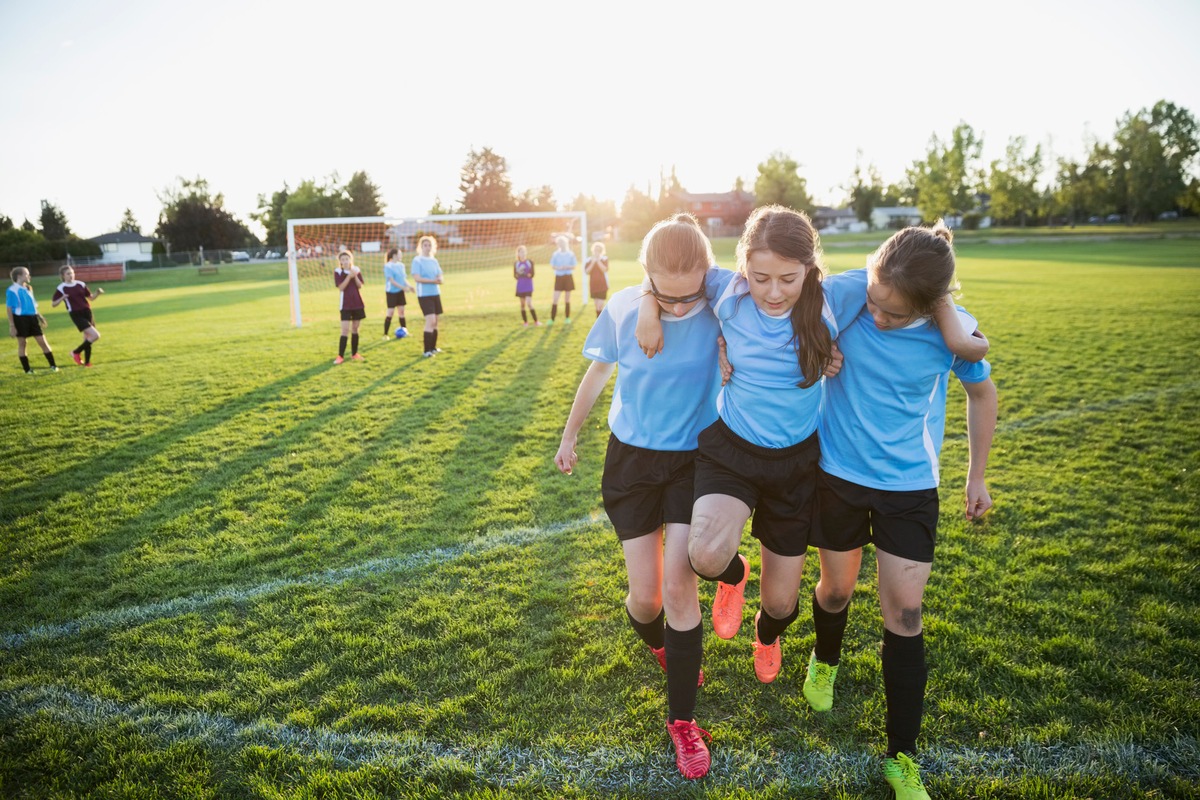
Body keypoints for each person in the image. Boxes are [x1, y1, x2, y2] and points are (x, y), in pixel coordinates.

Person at [635, 206, 985, 689]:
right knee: (707, 556)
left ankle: (767, 632)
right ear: (743, 269)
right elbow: (669, 279)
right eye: (760, 277)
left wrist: (952, 328)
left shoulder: (834, 296)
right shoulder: (727, 291)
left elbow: (911, 270)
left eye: (788, 278)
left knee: (781, 605)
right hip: (732, 449)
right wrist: (647, 310)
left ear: (810, 269)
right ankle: (735, 575)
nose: (773, 292)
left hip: (799, 463)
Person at [801, 222, 996, 800]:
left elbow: (981, 392)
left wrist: (976, 474)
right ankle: (825, 658)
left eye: (892, 313)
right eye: (874, 302)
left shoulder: (952, 331)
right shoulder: (854, 294)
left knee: (906, 613)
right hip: (836, 474)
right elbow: (784, 308)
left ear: (930, 304)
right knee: (835, 591)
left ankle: (902, 758)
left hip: (909, 486)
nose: (877, 316)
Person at [554, 214, 722, 780]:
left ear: (709, 272)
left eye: (688, 295)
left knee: (678, 591)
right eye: (664, 295)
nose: (678, 308)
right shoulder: (626, 306)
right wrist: (570, 434)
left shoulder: (723, 297)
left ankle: (682, 722)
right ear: (645, 276)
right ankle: (675, 641)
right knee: (646, 601)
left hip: (693, 462)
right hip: (630, 461)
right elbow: (598, 374)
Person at [6, 267, 58, 374]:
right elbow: (9, 308)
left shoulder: (29, 288)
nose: (29, 276)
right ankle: (27, 370)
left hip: (33, 318)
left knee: (42, 342)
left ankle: (53, 366)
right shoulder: (12, 290)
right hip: (20, 320)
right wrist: (12, 325)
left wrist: (40, 316)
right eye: (27, 274)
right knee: (23, 343)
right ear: (19, 276)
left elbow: (32, 305)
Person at [51, 265, 105, 367]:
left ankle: (87, 363)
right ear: (63, 276)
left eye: (72, 273)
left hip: (87, 312)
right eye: (68, 274)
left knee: (88, 338)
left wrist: (97, 293)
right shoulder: (61, 288)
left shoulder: (80, 284)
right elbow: (53, 304)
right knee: (95, 335)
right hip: (76, 314)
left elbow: (91, 298)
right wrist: (62, 297)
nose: (71, 275)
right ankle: (75, 352)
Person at [410, 235, 444, 357]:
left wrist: (440, 279)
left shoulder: (434, 260)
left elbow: (440, 275)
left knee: (436, 322)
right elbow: (417, 278)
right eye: (425, 245)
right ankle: (426, 351)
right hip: (424, 295)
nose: (427, 247)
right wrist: (433, 281)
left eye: (430, 245)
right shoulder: (417, 260)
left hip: (436, 293)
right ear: (421, 247)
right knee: (430, 321)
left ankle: (433, 348)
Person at [333, 250, 366, 364]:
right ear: (340, 262)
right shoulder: (338, 272)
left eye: (347, 259)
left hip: (357, 304)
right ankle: (340, 356)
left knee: (355, 329)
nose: (345, 261)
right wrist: (348, 277)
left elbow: (359, 285)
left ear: (350, 260)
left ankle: (354, 354)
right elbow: (341, 287)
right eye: (343, 260)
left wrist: (354, 275)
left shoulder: (356, 270)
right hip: (345, 305)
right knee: (345, 330)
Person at [382, 247, 415, 340]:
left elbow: (403, 279)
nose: (401, 255)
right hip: (391, 292)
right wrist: (403, 288)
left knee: (401, 312)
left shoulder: (401, 265)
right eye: (400, 253)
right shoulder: (388, 266)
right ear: (395, 255)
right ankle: (385, 334)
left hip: (400, 292)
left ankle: (405, 331)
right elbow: (392, 281)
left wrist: (410, 286)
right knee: (390, 312)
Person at [547, 235, 577, 326]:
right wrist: (559, 268)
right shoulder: (555, 254)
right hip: (559, 277)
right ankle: (552, 319)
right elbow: (552, 265)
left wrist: (567, 267)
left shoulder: (571, 254)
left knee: (567, 299)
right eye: (559, 243)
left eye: (562, 243)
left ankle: (567, 318)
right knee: (555, 298)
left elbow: (574, 266)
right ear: (558, 244)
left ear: (566, 243)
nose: (561, 244)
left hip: (568, 277)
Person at [513, 245, 540, 326]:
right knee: (522, 304)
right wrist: (518, 274)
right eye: (521, 252)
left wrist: (528, 275)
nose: (523, 253)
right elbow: (515, 275)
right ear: (518, 254)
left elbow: (532, 274)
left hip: (528, 285)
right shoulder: (516, 263)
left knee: (529, 303)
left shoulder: (530, 262)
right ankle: (525, 322)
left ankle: (536, 321)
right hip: (520, 286)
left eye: (524, 252)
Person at [584, 241, 610, 316]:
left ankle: (600, 321)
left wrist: (598, 260)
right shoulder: (589, 260)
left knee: (600, 305)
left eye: (599, 250)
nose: (597, 252)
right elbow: (587, 271)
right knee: (596, 305)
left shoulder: (604, 259)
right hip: (593, 285)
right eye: (596, 250)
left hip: (602, 285)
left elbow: (604, 269)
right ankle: (598, 321)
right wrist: (593, 262)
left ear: (601, 251)